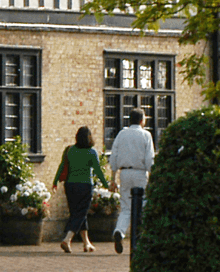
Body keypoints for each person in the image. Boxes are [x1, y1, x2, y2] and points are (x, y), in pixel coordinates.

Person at [52, 125, 109, 252]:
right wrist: (106, 184)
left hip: (70, 185)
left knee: (76, 213)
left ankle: (86, 243)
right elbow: (98, 171)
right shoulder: (91, 152)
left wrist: (55, 181)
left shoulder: (70, 150)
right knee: (81, 212)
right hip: (85, 185)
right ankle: (67, 239)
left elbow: (61, 166)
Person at [108, 108, 156, 254]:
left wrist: (112, 178)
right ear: (142, 120)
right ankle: (140, 237)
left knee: (126, 207)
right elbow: (149, 159)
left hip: (125, 172)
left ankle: (119, 231)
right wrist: (152, 175)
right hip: (140, 173)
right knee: (143, 204)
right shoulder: (146, 135)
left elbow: (114, 156)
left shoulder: (121, 134)